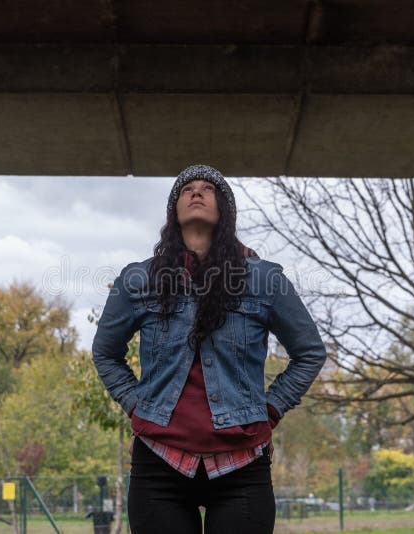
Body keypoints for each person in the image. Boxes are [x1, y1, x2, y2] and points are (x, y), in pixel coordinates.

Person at [92, 164, 326, 534]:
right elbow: (105, 353)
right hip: (159, 463)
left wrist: (269, 410)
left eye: (208, 188)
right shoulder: (139, 279)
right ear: (174, 211)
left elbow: (310, 352)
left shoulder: (264, 279)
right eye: (186, 189)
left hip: (241, 464)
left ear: (225, 209)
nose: (196, 192)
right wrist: (137, 404)